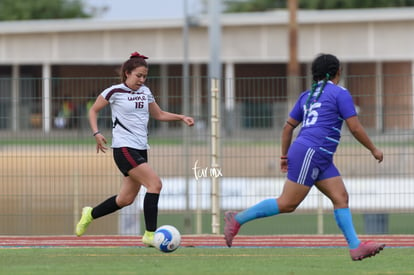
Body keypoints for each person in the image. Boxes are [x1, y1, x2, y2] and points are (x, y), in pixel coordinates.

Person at [224, 53, 385, 261]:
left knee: (341, 197)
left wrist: (284, 155)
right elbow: (354, 127)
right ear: (338, 72)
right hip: (312, 152)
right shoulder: (340, 93)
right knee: (287, 203)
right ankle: (236, 218)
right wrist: (373, 149)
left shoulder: (307, 95)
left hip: (317, 155)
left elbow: (287, 127)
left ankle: (355, 247)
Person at [76, 51, 195, 246]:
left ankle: (90, 213)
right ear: (127, 73)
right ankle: (150, 234)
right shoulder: (114, 92)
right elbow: (93, 110)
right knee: (155, 184)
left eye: (144, 76)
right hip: (123, 148)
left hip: (140, 149)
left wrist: (181, 117)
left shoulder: (145, 92)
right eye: (138, 75)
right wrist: (96, 133)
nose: (142, 80)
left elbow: (159, 114)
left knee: (125, 199)